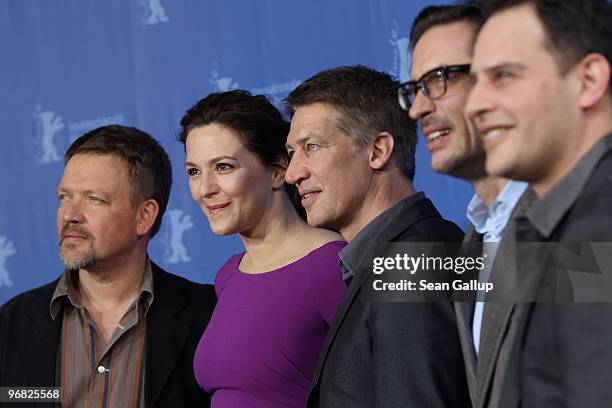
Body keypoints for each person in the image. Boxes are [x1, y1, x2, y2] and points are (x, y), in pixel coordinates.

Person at [284, 65, 470, 407]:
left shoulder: (412, 261)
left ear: (377, 151)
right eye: (292, 153)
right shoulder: (388, 259)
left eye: (312, 146)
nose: (294, 173)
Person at [0, 125, 216, 407]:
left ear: (144, 216)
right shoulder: (11, 323)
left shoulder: (210, 317)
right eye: (65, 197)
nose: (70, 214)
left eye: (93, 199)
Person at [465, 0, 612, 406]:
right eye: (476, 80)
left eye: (504, 76)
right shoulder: (565, 223)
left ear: (588, 80)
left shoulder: (599, 228)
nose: (474, 105)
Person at [180, 90, 347, 408]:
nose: (206, 189)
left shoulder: (328, 264)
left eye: (224, 167)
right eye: (194, 172)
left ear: (277, 171)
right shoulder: (229, 275)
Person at [403, 4, 527, 405]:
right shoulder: (474, 240)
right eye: (415, 89)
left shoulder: (575, 215)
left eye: (439, 79)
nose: (419, 108)